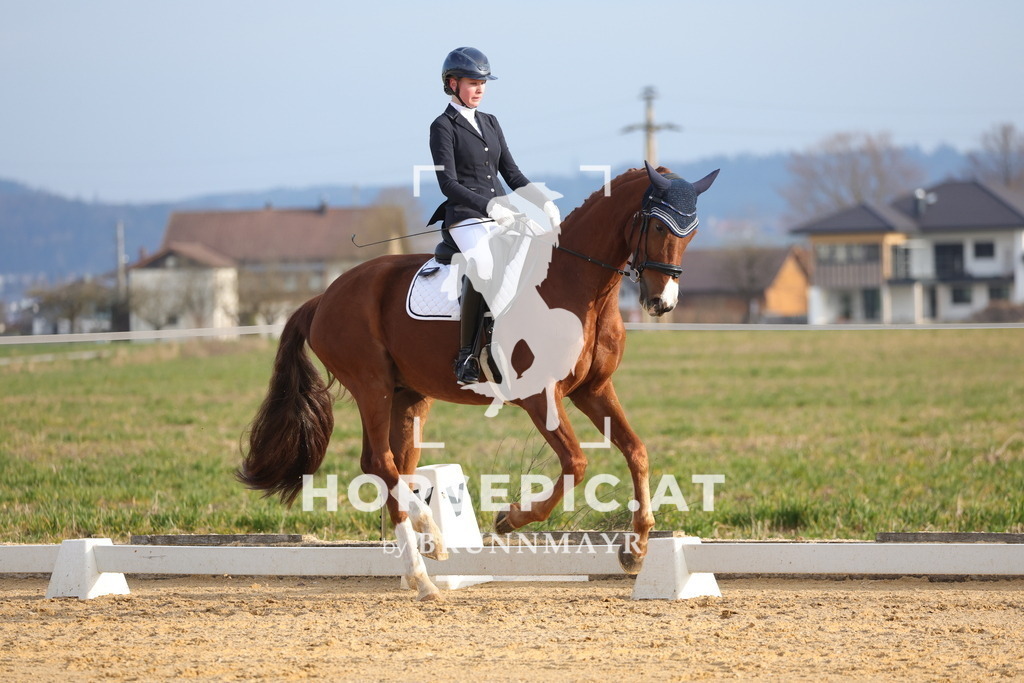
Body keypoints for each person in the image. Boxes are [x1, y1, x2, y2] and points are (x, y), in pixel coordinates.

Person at [427, 46, 560, 385]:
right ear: (452, 83)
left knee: (538, 252)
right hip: (466, 217)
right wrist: (488, 207)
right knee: (484, 267)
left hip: (502, 212)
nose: (480, 89)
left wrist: (542, 201)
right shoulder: (443, 126)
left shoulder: (490, 122)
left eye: (483, 83)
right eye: (473, 82)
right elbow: (447, 183)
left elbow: (511, 173)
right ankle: (467, 356)